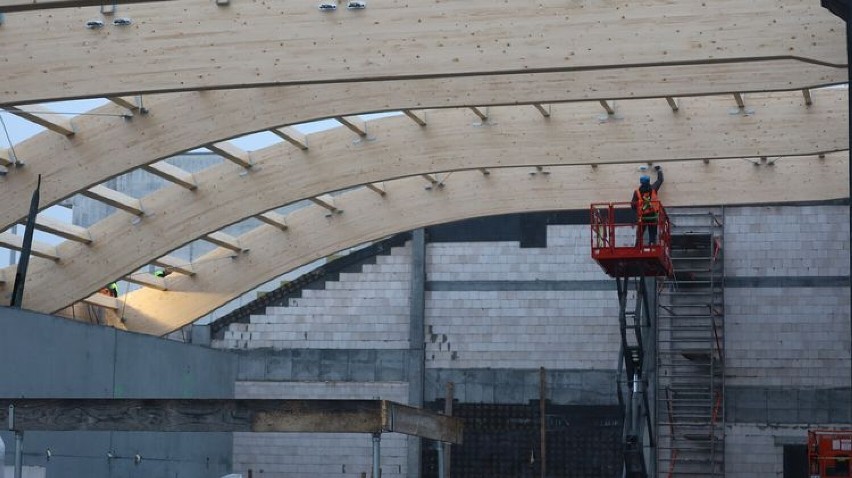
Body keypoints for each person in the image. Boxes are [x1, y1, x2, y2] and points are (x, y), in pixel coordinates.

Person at [631, 165, 664, 245]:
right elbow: (660, 180)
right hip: (653, 215)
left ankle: (637, 246)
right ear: (649, 182)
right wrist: (659, 170)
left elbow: (633, 205)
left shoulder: (637, 192)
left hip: (643, 216)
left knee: (640, 234)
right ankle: (652, 244)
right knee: (652, 233)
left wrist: (639, 208)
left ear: (641, 182)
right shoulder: (653, 188)